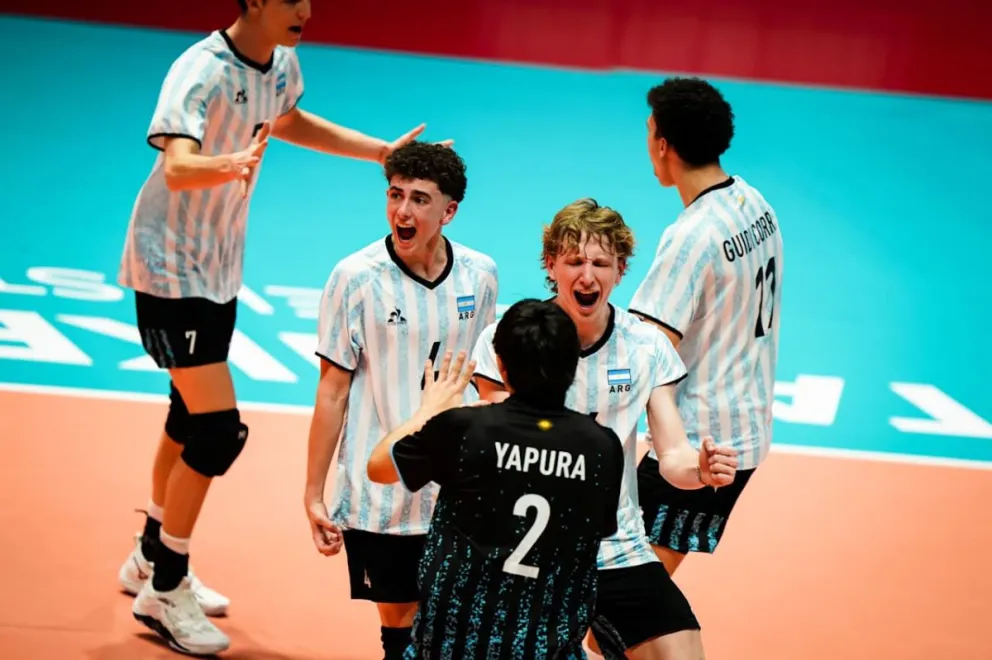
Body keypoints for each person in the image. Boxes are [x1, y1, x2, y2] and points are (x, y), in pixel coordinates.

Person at [115, 0, 452, 655]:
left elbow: (286, 119)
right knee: (216, 431)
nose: (305, 9)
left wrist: (380, 153)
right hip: (167, 266)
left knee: (187, 416)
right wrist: (231, 164)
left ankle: (149, 554)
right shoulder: (200, 71)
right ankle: (166, 585)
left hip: (215, 264)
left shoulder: (281, 64)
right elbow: (179, 166)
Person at [471, 199, 738, 660]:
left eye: (600, 263)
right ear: (551, 264)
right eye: (574, 262)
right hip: (526, 550)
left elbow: (671, 457)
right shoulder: (512, 339)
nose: (587, 276)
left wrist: (700, 468)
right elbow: (497, 446)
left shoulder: (645, 347)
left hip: (615, 547)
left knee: (683, 654)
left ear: (621, 269)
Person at [304, 141, 499, 660]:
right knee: (401, 630)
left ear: (449, 211)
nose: (403, 211)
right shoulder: (355, 278)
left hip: (457, 492)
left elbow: (485, 381)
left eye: (419, 199)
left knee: (455, 627)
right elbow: (332, 390)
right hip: (381, 494)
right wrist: (313, 492)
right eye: (395, 195)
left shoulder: (480, 275)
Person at [365, 300, 625, 659]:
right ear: (574, 362)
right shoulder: (602, 447)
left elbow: (378, 467)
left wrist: (429, 411)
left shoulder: (466, 428)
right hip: (546, 648)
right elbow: (596, 533)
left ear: (501, 365)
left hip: (452, 647)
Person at [630, 76, 784, 577]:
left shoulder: (690, 238)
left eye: (650, 131)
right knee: (627, 607)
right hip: (746, 431)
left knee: (620, 612)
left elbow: (646, 351)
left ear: (663, 145)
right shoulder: (754, 203)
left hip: (698, 446)